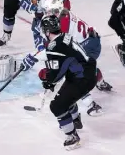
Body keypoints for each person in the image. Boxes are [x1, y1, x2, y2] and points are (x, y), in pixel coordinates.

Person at [27, 15, 97, 150]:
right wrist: (35, 58)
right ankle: (75, 120)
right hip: (85, 73)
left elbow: (56, 72)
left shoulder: (55, 46)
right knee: (66, 97)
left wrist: (48, 81)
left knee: (57, 106)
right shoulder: (64, 37)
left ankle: (72, 137)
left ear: (47, 31)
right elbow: (63, 59)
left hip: (82, 78)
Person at [42, 0, 113, 115]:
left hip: (90, 45)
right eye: (47, 11)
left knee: (75, 73)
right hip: (90, 41)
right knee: (85, 67)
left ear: (57, 11)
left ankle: (91, 104)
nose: (48, 14)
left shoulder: (61, 23)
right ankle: (100, 82)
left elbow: (59, 47)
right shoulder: (61, 16)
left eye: (50, 11)